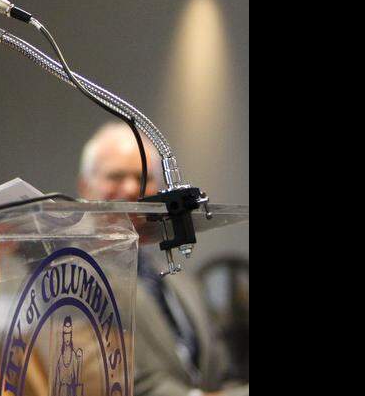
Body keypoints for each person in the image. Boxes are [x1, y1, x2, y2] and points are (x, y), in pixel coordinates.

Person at [77, 123, 249, 396]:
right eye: (116, 176)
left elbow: (222, 369)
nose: (132, 188)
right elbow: (116, 380)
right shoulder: (74, 279)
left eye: (142, 177)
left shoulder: (178, 277)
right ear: (85, 187)